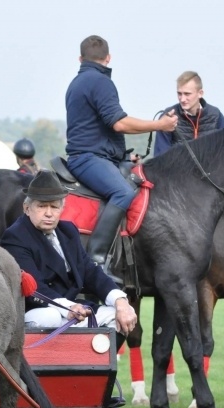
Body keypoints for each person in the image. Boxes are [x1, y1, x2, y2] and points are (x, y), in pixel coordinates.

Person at [65, 35, 178, 266]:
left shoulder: (78, 82)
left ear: (80, 58)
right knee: (124, 192)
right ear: (108, 58)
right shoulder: (100, 81)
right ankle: (95, 260)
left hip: (97, 156)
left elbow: (98, 129)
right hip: (88, 159)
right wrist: (160, 125)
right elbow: (119, 123)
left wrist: (123, 157)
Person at [0, 171, 137, 335]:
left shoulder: (68, 230)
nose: (49, 213)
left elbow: (90, 271)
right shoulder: (15, 236)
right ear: (27, 208)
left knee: (118, 315)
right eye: (42, 206)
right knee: (50, 317)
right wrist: (68, 307)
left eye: (54, 207)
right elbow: (35, 288)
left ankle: (91, 360)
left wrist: (119, 300)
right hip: (38, 309)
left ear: (62, 209)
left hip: (73, 309)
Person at [153, 71, 224, 157]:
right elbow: (161, 157)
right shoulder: (168, 117)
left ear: (200, 93)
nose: (182, 99)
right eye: (179, 94)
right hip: (178, 169)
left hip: (211, 170)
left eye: (187, 94)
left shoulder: (216, 115)